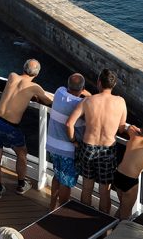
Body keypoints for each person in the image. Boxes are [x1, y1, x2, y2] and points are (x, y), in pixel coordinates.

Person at [0, 59, 53, 198]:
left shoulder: (12, 76)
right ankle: (21, 184)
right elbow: (49, 101)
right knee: (22, 154)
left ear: (23, 68)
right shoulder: (35, 87)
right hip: (10, 126)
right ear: (37, 73)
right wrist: (35, 96)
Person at [66, 68, 129, 214]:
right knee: (104, 191)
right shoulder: (120, 101)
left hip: (88, 147)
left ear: (99, 82)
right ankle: (102, 225)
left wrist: (74, 140)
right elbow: (121, 128)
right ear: (113, 85)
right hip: (107, 150)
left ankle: (85, 219)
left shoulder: (88, 101)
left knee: (87, 187)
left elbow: (70, 123)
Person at [46, 73, 89, 210]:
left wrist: (81, 91)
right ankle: (61, 209)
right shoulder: (80, 104)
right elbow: (91, 100)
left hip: (52, 145)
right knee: (66, 181)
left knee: (57, 176)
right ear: (82, 89)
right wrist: (74, 140)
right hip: (68, 149)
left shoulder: (59, 92)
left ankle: (52, 206)